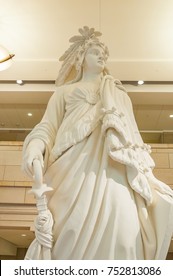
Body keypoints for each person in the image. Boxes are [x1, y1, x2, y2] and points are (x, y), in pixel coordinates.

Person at [22, 26, 173, 260]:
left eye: (104, 53)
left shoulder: (117, 93)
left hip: (114, 171)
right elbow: (47, 127)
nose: (102, 55)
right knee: (67, 237)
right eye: (95, 51)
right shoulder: (64, 92)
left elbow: (132, 137)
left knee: (124, 232)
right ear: (81, 58)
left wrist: (146, 174)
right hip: (71, 173)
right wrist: (35, 147)